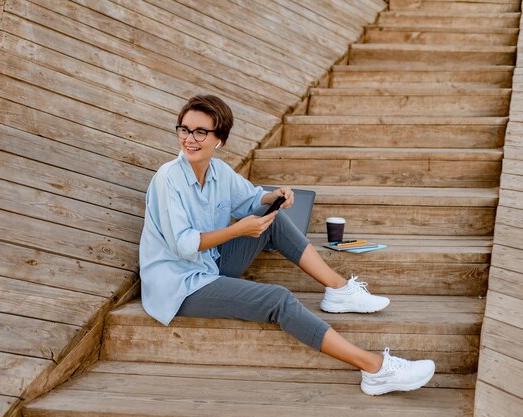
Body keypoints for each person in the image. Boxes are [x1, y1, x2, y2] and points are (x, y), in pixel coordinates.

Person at [139, 95, 435, 395]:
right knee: (278, 299)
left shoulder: (220, 172)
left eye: (201, 132)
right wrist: (238, 230)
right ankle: (375, 368)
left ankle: (339, 290)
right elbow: (182, 245)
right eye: (184, 129)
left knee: (273, 219)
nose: (190, 139)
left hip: (209, 263)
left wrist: (274, 196)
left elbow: (250, 199)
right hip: (179, 285)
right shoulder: (168, 178)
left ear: (220, 140)